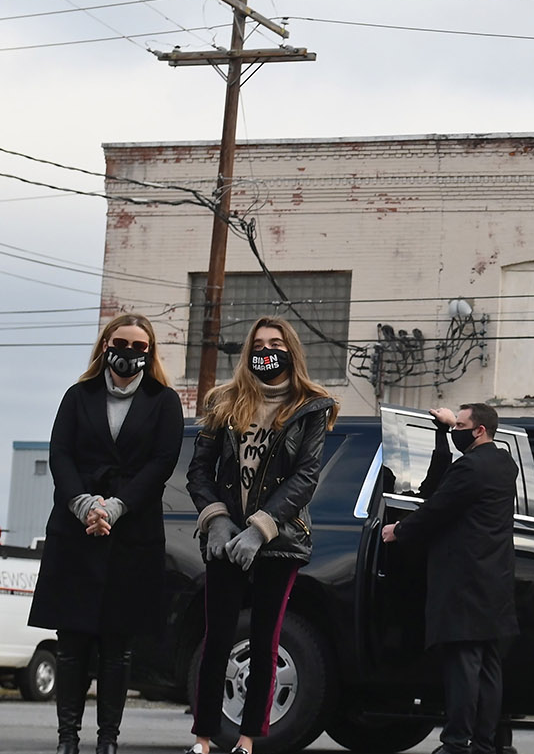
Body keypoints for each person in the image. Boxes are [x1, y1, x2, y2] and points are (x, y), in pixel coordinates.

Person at [30, 314, 184, 754]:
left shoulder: (164, 401)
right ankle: (67, 738)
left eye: (139, 346)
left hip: (133, 533)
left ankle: (108, 740)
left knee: (118, 647)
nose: (129, 352)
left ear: (150, 352)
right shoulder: (78, 396)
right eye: (121, 343)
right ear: (105, 345)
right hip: (75, 532)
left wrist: (115, 507)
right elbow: (60, 454)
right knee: (71, 644)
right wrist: (83, 504)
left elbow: (162, 462)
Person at [185, 317, 336, 754]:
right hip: (225, 537)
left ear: (291, 350)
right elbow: (199, 469)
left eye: (275, 343)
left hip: (278, 539)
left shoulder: (311, 406)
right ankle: (203, 740)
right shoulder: (225, 402)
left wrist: (261, 528)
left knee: (266, 639)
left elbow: (306, 477)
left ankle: (247, 741)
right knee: (218, 638)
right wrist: (216, 518)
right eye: (258, 344)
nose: (266, 351)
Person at [381, 403, 517, 754]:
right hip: (495, 580)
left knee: (463, 666)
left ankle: (456, 743)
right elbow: (448, 481)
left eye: (460, 425)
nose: (457, 430)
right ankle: (484, 744)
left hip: (464, 581)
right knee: (488, 666)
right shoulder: (505, 464)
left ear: (479, 430)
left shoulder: (470, 468)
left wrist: (400, 530)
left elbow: (437, 505)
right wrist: (443, 430)